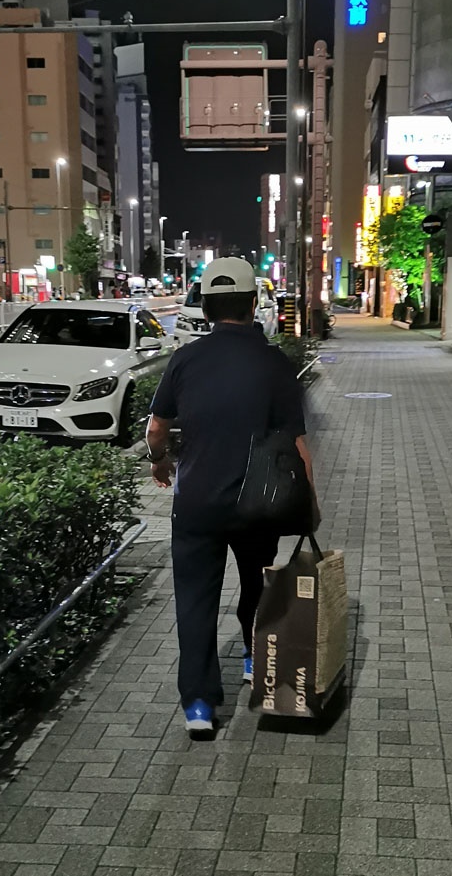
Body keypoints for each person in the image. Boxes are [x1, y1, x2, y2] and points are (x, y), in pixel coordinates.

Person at [146, 257, 320, 736]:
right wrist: (310, 501)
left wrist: (159, 460)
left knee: (195, 601)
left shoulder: (185, 359)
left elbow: (158, 428)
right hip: (257, 501)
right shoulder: (274, 362)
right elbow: (297, 442)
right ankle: (252, 658)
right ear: (252, 304)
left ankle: (199, 706)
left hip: (197, 501)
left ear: (204, 306)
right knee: (256, 583)